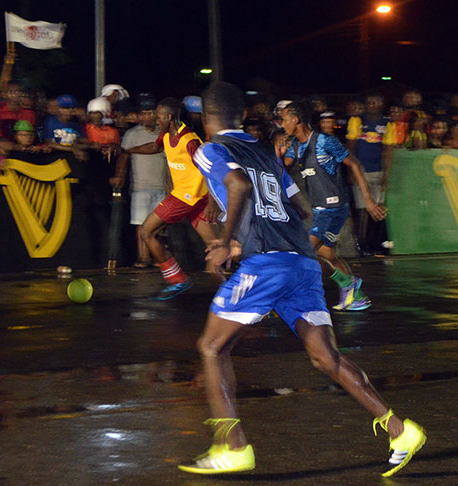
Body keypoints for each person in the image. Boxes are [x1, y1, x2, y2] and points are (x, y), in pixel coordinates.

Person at [179, 81, 426, 478]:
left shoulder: (210, 150)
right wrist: (257, 234)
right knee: (325, 358)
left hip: (267, 265)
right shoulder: (265, 150)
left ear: (205, 118)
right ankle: (400, 430)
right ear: (241, 116)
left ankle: (233, 445)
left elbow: (238, 184)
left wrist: (228, 242)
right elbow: (299, 206)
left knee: (211, 347)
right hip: (303, 262)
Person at [282, 101, 386, 311]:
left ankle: (284, 298)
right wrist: (276, 154)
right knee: (327, 255)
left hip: (333, 208)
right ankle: (355, 294)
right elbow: (281, 167)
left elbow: (354, 164)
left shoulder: (324, 141)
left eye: (284, 119)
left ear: (296, 120)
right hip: (321, 209)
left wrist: (368, 199)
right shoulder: (295, 145)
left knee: (305, 254)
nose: (282, 124)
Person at [126, 97, 217, 299]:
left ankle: (178, 280)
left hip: (185, 198)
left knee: (146, 232)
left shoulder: (190, 140)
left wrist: (212, 201)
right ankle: (246, 292)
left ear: (168, 116)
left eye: (158, 116)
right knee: (216, 245)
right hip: (192, 199)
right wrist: (127, 150)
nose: (157, 119)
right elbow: (155, 147)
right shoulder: (167, 135)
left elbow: (209, 169)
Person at [110, 94, 167, 268]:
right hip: (141, 186)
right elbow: (124, 157)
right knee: (141, 223)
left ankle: (158, 257)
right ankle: (143, 257)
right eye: (142, 113)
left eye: (149, 113)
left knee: (158, 225)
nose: (145, 117)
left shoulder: (162, 133)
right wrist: (119, 175)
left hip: (161, 185)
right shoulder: (132, 134)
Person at [345, 94, 394, 256]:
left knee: (379, 210)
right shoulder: (357, 121)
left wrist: (386, 174)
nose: (371, 105)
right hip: (361, 171)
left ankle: (376, 244)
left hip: (378, 171)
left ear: (381, 104)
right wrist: (351, 171)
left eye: (375, 102)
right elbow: (350, 146)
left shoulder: (388, 123)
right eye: (369, 102)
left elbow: (388, 151)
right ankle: (361, 245)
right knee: (362, 210)